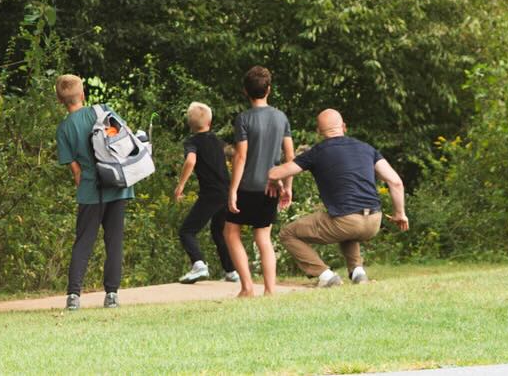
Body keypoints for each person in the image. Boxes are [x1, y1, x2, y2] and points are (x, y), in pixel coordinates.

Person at [267, 108, 409, 287]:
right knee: (345, 222)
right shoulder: (366, 148)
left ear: (318, 132)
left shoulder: (317, 153)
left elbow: (276, 173)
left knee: (288, 233)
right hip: (374, 221)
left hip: (346, 221)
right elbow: (395, 182)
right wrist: (400, 213)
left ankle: (325, 276)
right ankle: (358, 272)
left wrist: (267, 168)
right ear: (344, 127)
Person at [54, 73, 132, 311]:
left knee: (84, 241)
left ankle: (74, 296)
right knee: (114, 241)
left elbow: (75, 170)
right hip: (118, 186)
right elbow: (122, 141)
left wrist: (84, 183)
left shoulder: (64, 129)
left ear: (60, 100)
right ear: (83, 94)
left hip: (90, 191)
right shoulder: (103, 111)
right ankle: (111, 295)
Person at [225, 65, 295, 297]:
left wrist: (233, 190)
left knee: (231, 232)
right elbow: (290, 157)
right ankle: (270, 290)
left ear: (245, 91)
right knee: (263, 237)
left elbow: (241, 156)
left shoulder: (243, 119)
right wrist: (288, 186)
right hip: (271, 187)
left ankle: (246, 288)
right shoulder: (280, 117)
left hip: (247, 186)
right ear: (269, 89)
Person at [174, 102, 237, 285]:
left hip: (211, 194)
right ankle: (231, 271)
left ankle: (199, 264)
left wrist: (181, 186)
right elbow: (234, 155)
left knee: (187, 231)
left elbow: (191, 161)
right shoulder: (218, 142)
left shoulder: (192, 142)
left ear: (190, 124)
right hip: (226, 192)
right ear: (209, 121)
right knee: (219, 232)